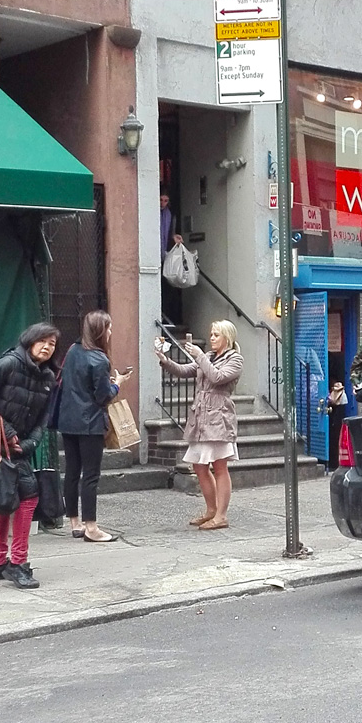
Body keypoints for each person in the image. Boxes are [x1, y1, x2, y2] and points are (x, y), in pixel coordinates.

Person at [0, 322, 60, 589]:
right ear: (29, 341)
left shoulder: (47, 377)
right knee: (27, 499)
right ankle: (18, 564)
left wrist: (31, 442)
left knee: (2, 499)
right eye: (42, 341)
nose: (46, 347)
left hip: (21, 446)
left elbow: (43, 417)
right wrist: (7, 432)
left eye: (52, 343)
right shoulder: (8, 364)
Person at [155, 320, 244, 530]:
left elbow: (217, 376)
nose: (211, 338)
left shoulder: (235, 359)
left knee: (220, 466)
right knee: (199, 466)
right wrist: (165, 360)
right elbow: (185, 370)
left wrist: (199, 355)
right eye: (211, 334)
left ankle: (221, 515)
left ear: (227, 338)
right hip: (201, 417)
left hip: (219, 417)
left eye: (216, 335)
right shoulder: (210, 357)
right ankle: (211, 510)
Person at [57, 310, 132, 542]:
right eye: (108, 328)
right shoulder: (100, 359)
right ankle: (91, 527)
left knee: (71, 472)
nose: (110, 332)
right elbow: (103, 397)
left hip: (68, 420)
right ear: (100, 330)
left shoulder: (73, 351)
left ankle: (74, 522)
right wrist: (117, 384)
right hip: (89, 423)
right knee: (90, 475)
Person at [160, 188, 183, 324]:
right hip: (157, 253)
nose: (163, 203)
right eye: (161, 200)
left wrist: (174, 237)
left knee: (169, 286)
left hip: (165, 255)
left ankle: (168, 315)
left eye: (166, 200)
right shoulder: (154, 213)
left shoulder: (169, 214)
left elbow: (168, 233)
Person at [326, 379, 348, 470]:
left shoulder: (337, 395)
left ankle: (334, 464)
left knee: (336, 441)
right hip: (338, 422)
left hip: (336, 423)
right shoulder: (343, 395)